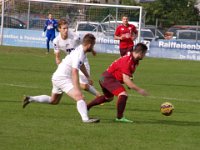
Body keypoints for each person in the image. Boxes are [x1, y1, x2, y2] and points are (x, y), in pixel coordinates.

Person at [23, 33, 100, 123]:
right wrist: (76, 88)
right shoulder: (79, 53)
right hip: (62, 78)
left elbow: (81, 64)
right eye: (93, 45)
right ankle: (85, 119)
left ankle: (30, 98)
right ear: (90, 45)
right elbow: (74, 71)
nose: (93, 47)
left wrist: (87, 76)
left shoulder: (81, 51)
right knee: (80, 97)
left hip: (57, 77)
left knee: (54, 100)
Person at [87, 43, 149, 123]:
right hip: (108, 78)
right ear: (140, 53)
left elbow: (128, 76)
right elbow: (126, 80)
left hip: (104, 78)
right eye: (144, 54)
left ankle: (86, 107)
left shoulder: (135, 61)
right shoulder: (128, 60)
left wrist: (130, 81)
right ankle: (120, 118)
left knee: (108, 98)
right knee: (123, 94)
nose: (145, 56)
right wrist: (139, 90)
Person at [53, 19, 101, 98]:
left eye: (67, 28)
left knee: (84, 86)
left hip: (82, 61)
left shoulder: (74, 36)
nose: (66, 30)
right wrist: (58, 61)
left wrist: (92, 50)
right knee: (65, 80)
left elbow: (85, 44)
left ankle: (97, 95)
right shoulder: (56, 41)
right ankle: (79, 95)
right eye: (64, 28)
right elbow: (57, 55)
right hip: (70, 62)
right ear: (59, 29)